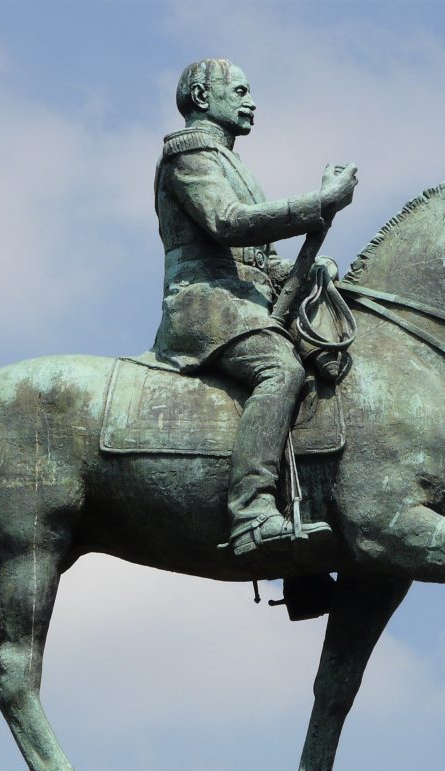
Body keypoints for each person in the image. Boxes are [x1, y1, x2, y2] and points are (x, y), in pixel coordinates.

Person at [151, 58, 357, 558]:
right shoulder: (190, 155)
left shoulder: (232, 162)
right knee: (280, 371)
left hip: (245, 303)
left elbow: (260, 260)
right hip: (208, 306)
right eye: (240, 90)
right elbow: (228, 223)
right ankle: (252, 511)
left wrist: (307, 272)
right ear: (203, 97)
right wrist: (319, 202)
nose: (252, 101)